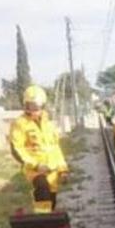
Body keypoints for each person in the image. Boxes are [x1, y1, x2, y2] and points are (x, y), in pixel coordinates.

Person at [9, 85, 69, 214]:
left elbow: (55, 148)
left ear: (43, 105)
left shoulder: (48, 123)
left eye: (36, 105)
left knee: (51, 202)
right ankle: (43, 222)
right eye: (29, 105)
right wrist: (36, 165)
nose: (33, 109)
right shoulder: (20, 123)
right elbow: (16, 149)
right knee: (42, 190)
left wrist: (63, 170)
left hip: (52, 170)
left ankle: (50, 224)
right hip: (35, 170)